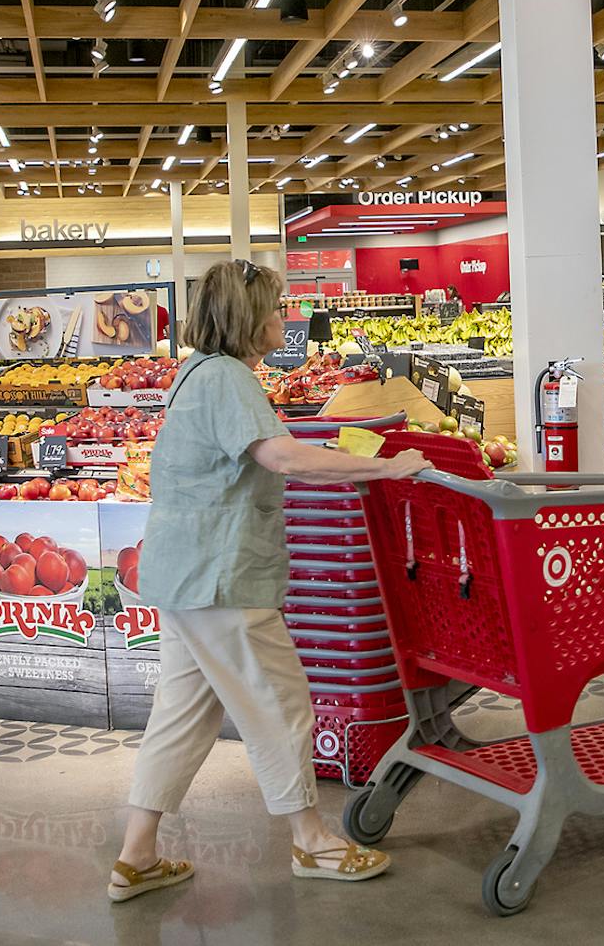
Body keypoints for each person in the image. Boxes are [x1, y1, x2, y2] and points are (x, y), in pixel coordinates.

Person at [109, 259, 430, 903]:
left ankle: (135, 856)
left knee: (180, 716)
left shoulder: (194, 374)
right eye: (276, 308)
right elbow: (279, 456)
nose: (285, 319)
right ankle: (311, 840)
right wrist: (387, 469)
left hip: (182, 575)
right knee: (279, 703)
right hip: (221, 577)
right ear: (246, 316)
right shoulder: (228, 377)